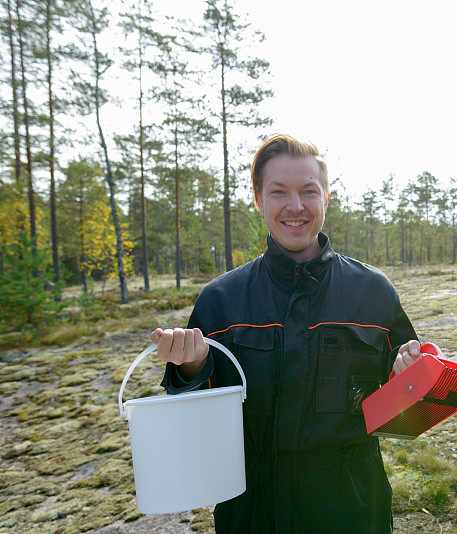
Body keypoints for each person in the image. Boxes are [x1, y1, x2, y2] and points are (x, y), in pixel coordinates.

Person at [151, 134, 424, 534]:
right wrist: (191, 367)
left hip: (351, 502)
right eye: (279, 192)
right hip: (252, 504)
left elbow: (406, 401)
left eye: (308, 192)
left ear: (326, 198)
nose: (295, 207)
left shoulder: (373, 291)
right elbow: (197, 419)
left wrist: (410, 376)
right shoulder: (221, 299)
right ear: (259, 200)